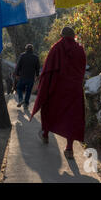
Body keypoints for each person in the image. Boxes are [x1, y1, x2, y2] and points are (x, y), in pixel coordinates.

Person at [30, 27, 86, 160]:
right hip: (74, 90)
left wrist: (45, 87)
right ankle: (69, 149)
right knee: (72, 117)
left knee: (49, 109)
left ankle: (45, 134)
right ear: (74, 36)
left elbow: (48, 70)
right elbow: (82, 70)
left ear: (61, 36)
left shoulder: (56, 48)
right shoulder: (80, 49)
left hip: (57, 88)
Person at [14, 44, 40, 109]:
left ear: (26, 49)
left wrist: (17, 74)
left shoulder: (22, 56)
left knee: (19, 88)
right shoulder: (36, 57)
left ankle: (20, 99)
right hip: (31, 78)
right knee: (28, 91)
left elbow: (18, 66)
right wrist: (37, 75)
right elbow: (38, 68)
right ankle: (26, 104)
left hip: (23, 76)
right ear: (32, 50)